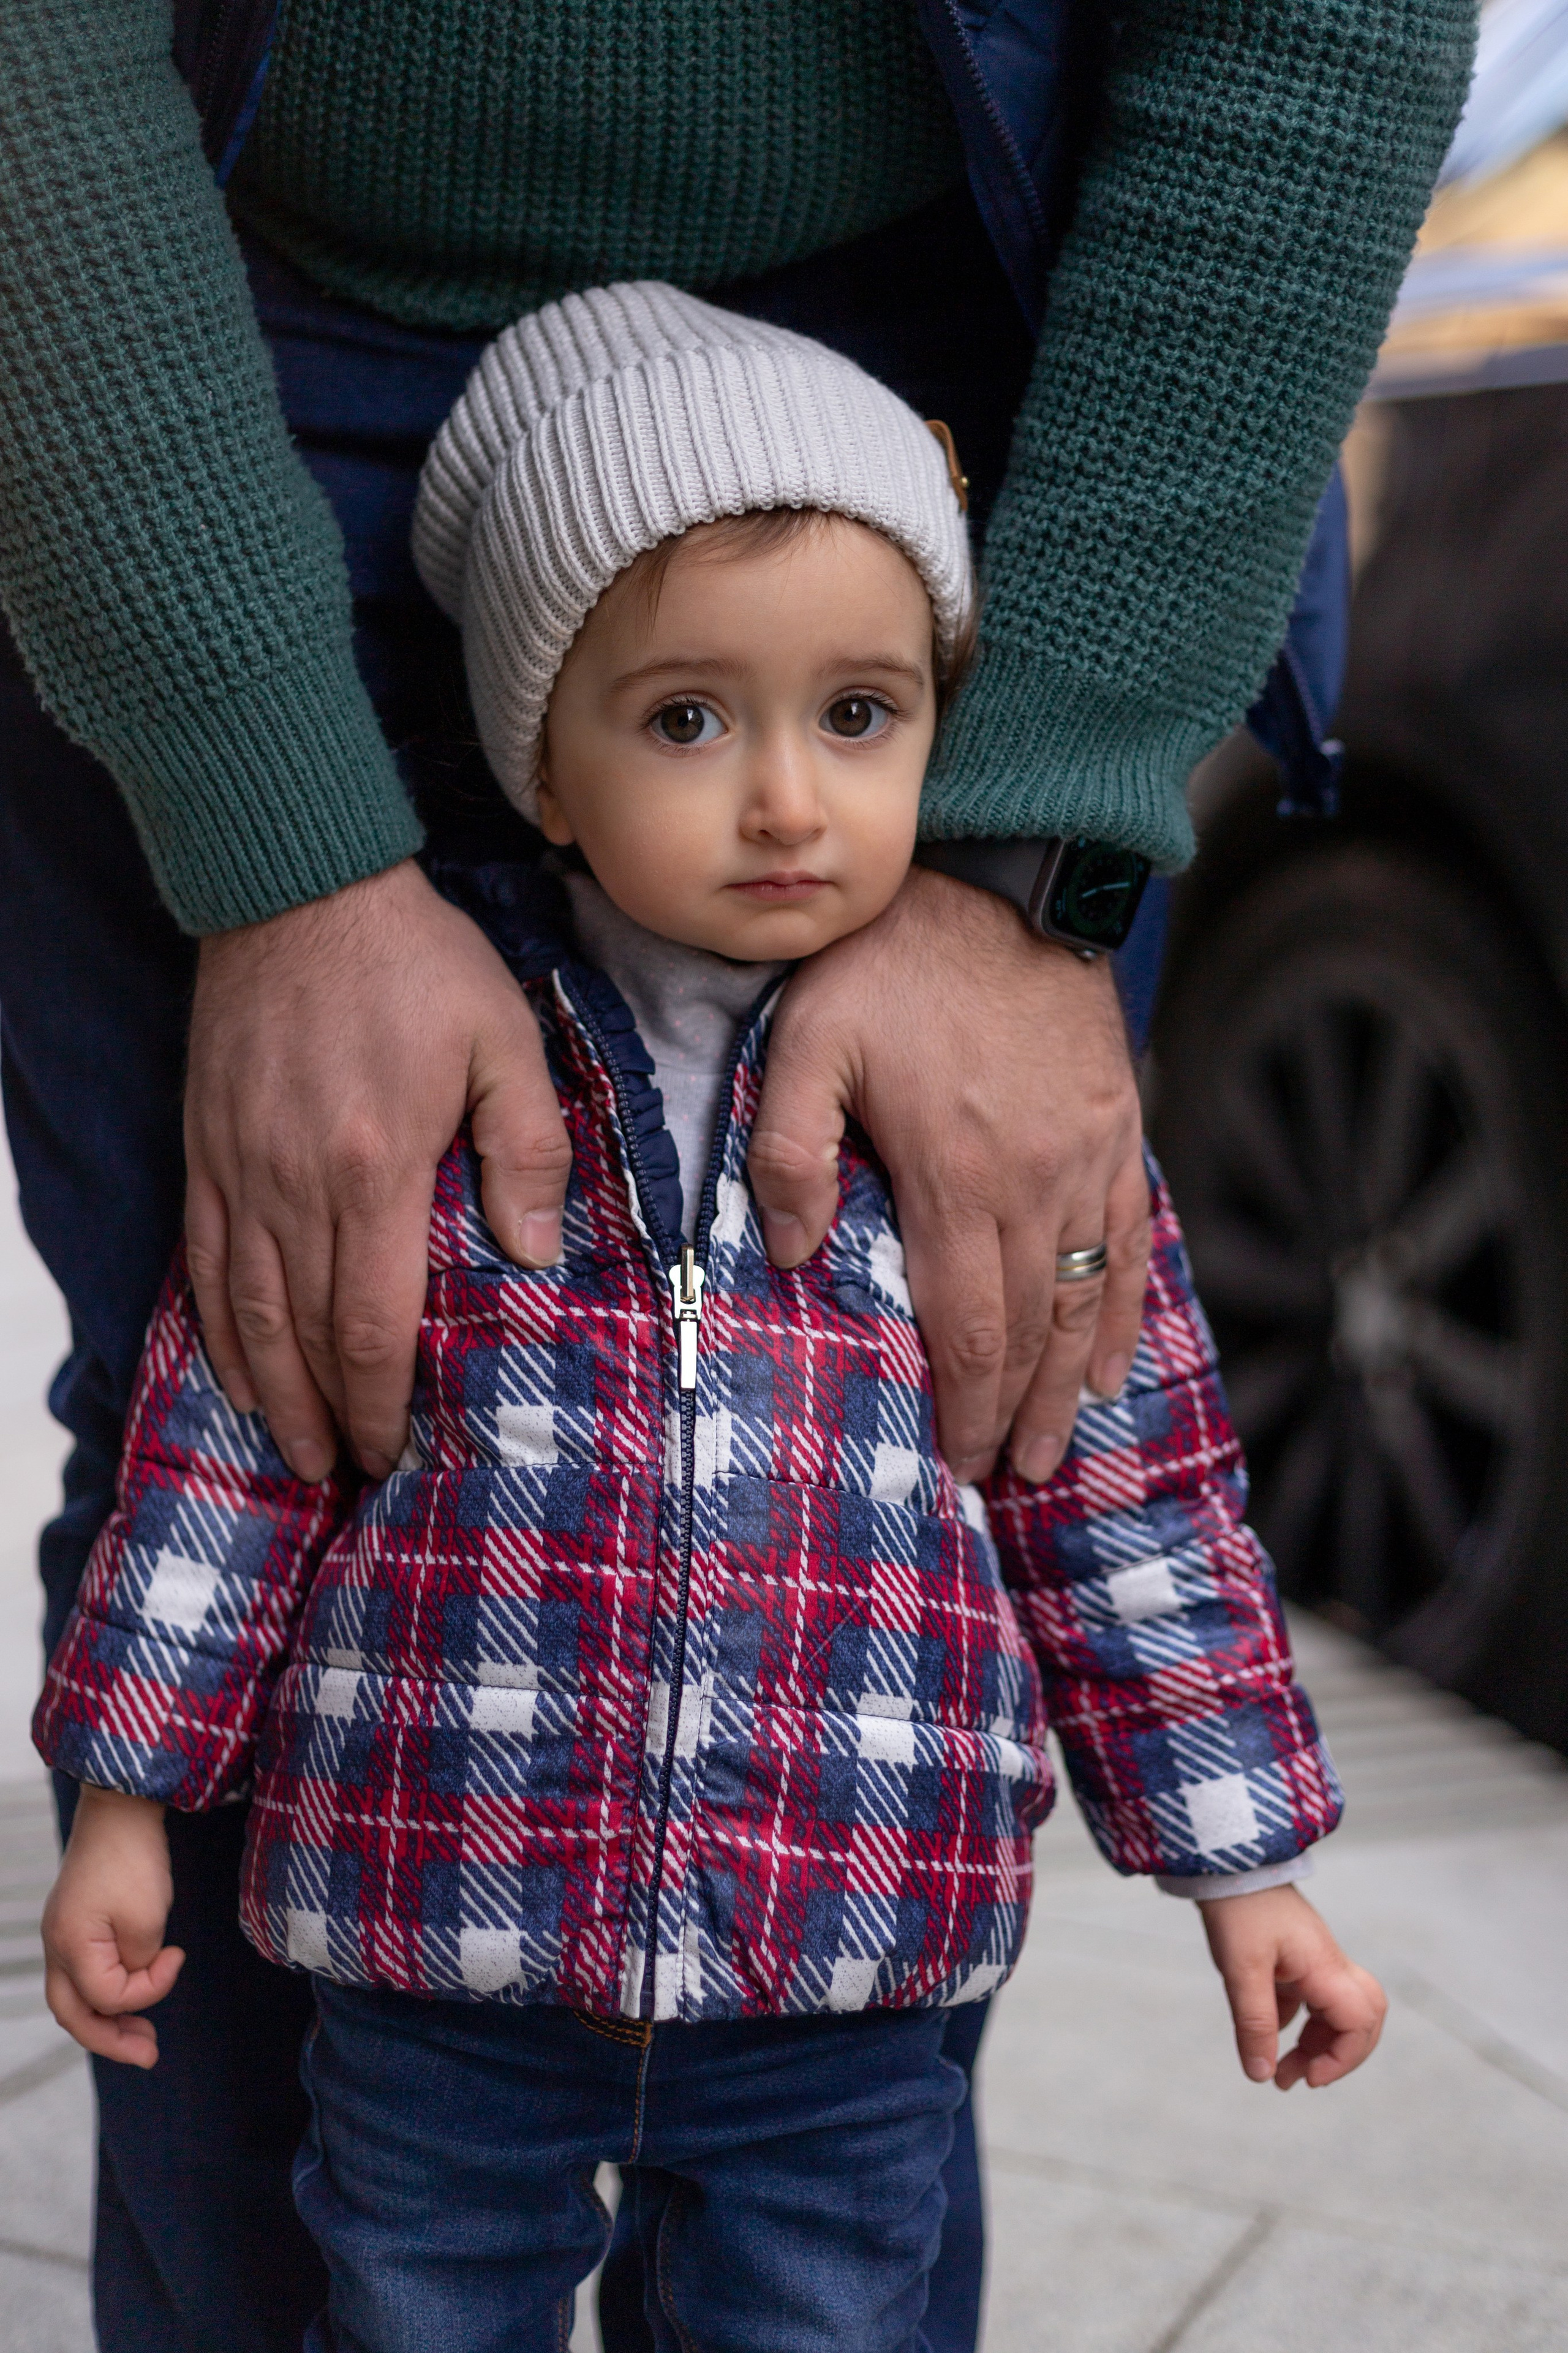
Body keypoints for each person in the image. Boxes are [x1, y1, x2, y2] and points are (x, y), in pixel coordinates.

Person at [0, 2, 1472, 2340]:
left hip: (833, 2002)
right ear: (547, 769)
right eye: (692, 726)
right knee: (283, 1294)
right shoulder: (486, 1121)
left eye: (863, 721)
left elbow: (1115, 1487)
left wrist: (1246, 1864)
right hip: (436, 1966)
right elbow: (228, 1449)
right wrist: (119, 1800)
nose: (790, 803)